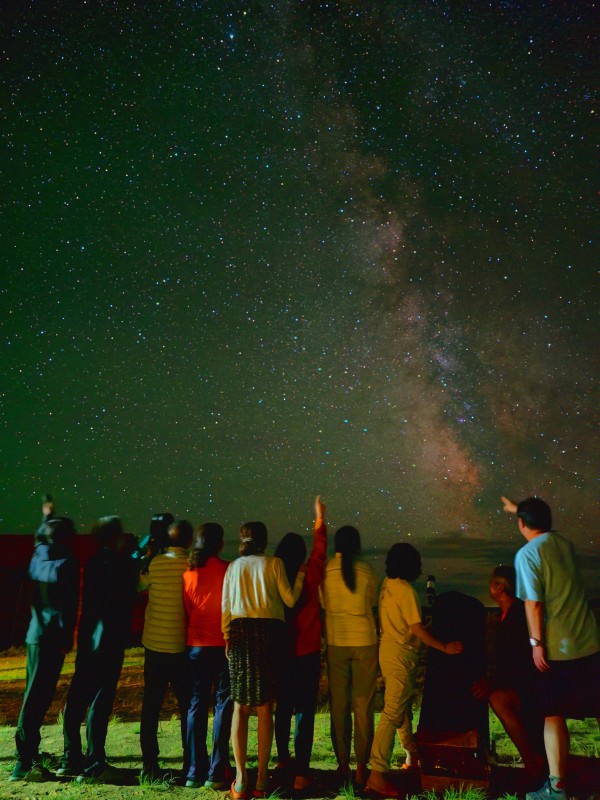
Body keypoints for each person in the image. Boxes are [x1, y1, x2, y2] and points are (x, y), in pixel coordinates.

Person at [502, 495, 600, 800]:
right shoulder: (564, 544)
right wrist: (517, 509)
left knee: (553, 714)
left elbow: (533, 603)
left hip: (558, 648)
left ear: (522, 524)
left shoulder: (527, 554)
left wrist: (536, 644)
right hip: (588, 639)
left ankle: (557, 787)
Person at [366, 543, 463, 797]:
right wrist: (444, 647)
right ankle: (376, 775)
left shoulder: (387, 585)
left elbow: (404, 625)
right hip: (401, 656)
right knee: (392, 713)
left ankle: (411, 756)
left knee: (401, 709)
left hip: (388, 652)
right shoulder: (406, 590)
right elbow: (416, 629)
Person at [222, 519, 307, 799]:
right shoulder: (274, 564)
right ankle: (261, 779)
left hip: (240, 632)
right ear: (265, 540)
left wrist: (227, 636)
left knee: (240, 706)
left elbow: (225, 606)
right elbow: (290, 600)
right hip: (270, 633)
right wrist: (300, 576)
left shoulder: (233, 567)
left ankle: (240, 779)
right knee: (265, 706)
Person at [57, 516, 138, 783]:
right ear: (115, 536)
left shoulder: (92, 562)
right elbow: (129, 596)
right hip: (109, 640)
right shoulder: (120, 564)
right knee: (100, 701)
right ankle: (95, 763)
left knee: (78, 696)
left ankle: (70, 758)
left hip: (89, 639)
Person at [11, 517, 80, 782]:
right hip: (52, 639)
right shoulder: (68, 562)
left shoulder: (38, 556)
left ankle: (27, 753)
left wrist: (44, 518)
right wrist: (67, 637)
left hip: (35, 635)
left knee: (33, 695)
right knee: (37, 699)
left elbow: (39, 541)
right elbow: (69, 604)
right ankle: (24, 763)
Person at [471, 565, 546, 783]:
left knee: (498, 699)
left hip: (530, 687)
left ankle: (532, 762)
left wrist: (492, 683)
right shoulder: (509, 614)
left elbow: (518, 661)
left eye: (492, 582)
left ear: (500, 587)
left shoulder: (517, 615)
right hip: (522, 684)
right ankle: (533, 760)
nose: (489, 586)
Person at [274, 496, 328, 791]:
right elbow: (321, 550)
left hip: (282, 653)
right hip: (307, 652)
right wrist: (319, 519)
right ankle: (301, 772)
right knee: (304, 711)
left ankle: (283, 760)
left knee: (283, 707)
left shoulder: (275, 575)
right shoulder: (311, 572)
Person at [320, 525, 378, 789]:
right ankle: (362, 767)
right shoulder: (367, 570)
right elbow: (371, 601)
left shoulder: (326, 570)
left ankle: (343, 763)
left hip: (337, 642)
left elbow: (323, 603)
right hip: (365, 642)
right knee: (363, 706)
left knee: (339, 704)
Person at [139, 519, 193, 781]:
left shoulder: (155, 563)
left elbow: (140, 585)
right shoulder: (192, 565)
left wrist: (149, 556)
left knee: (151, 706)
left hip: (154, 645)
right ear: (190, 541)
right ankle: (191, 763)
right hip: (183, 646)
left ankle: (149, 765)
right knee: (187, 706)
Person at [182, 523, 233, 789]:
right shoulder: (229, 570)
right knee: (223, 705)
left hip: (196, 646)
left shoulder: (188, 573)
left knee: (196, 705)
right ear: (219, 543)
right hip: (224, 645)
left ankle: (193, 771)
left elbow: (189, 610)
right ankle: (217, 771)